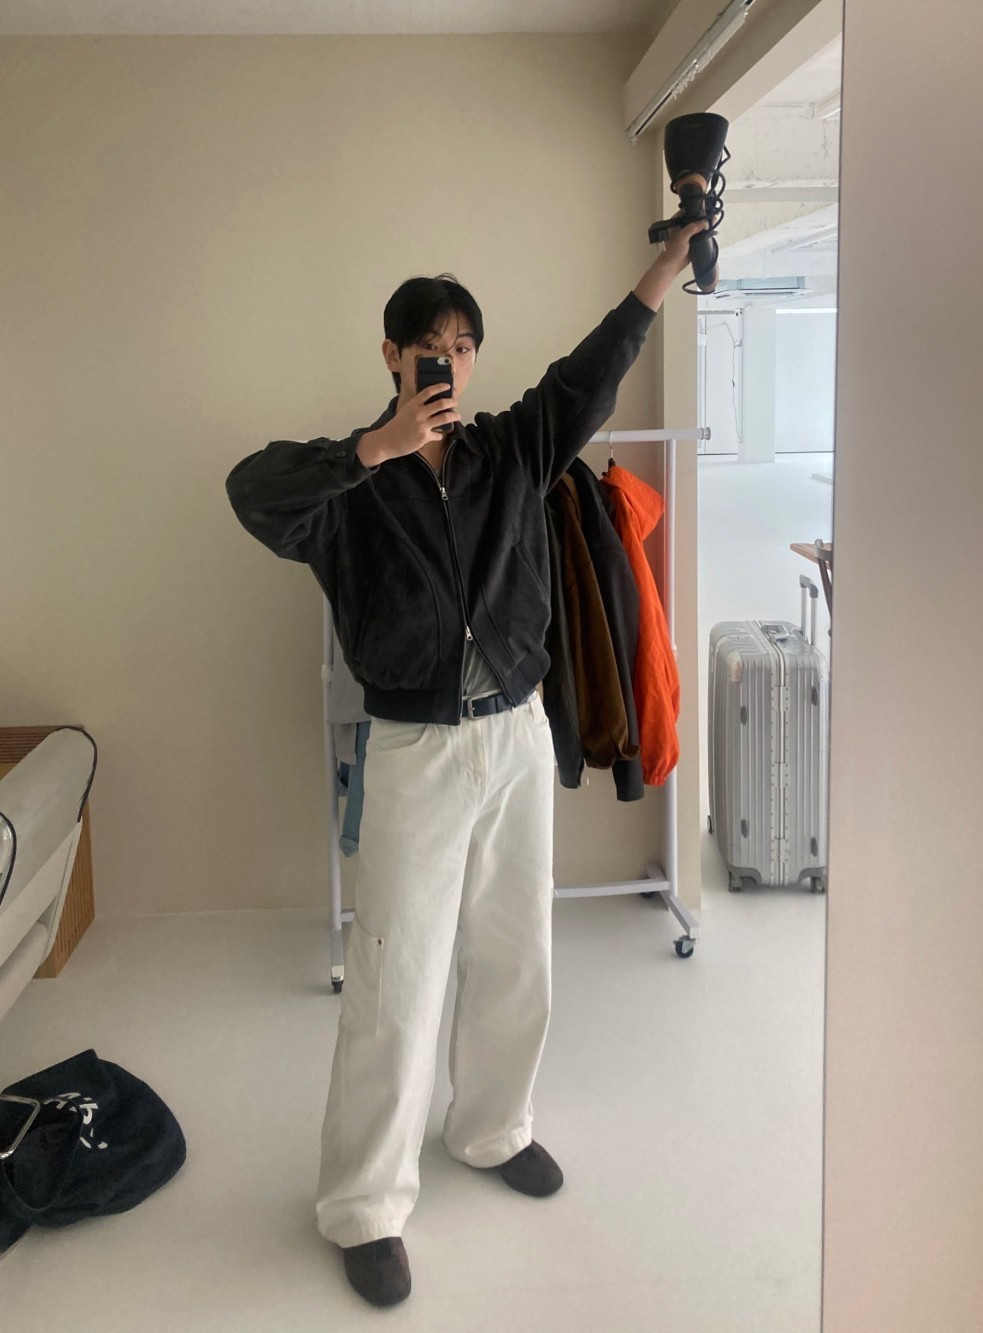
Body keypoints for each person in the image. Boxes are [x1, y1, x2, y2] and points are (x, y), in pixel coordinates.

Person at [224, 219, 706, 1309]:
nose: (446, 361)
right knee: (395, 975)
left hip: (516, 735)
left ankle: (492, 1127)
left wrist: (664, 269)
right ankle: (364, 1204)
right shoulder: (347, 480)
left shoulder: (512, 448)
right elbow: (249, 491)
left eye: (460, 345)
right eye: (426, 347)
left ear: (474, 358)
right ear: (391, 356)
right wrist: (375, 448)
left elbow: (591, 370)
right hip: (414, 749)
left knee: (515, 948)